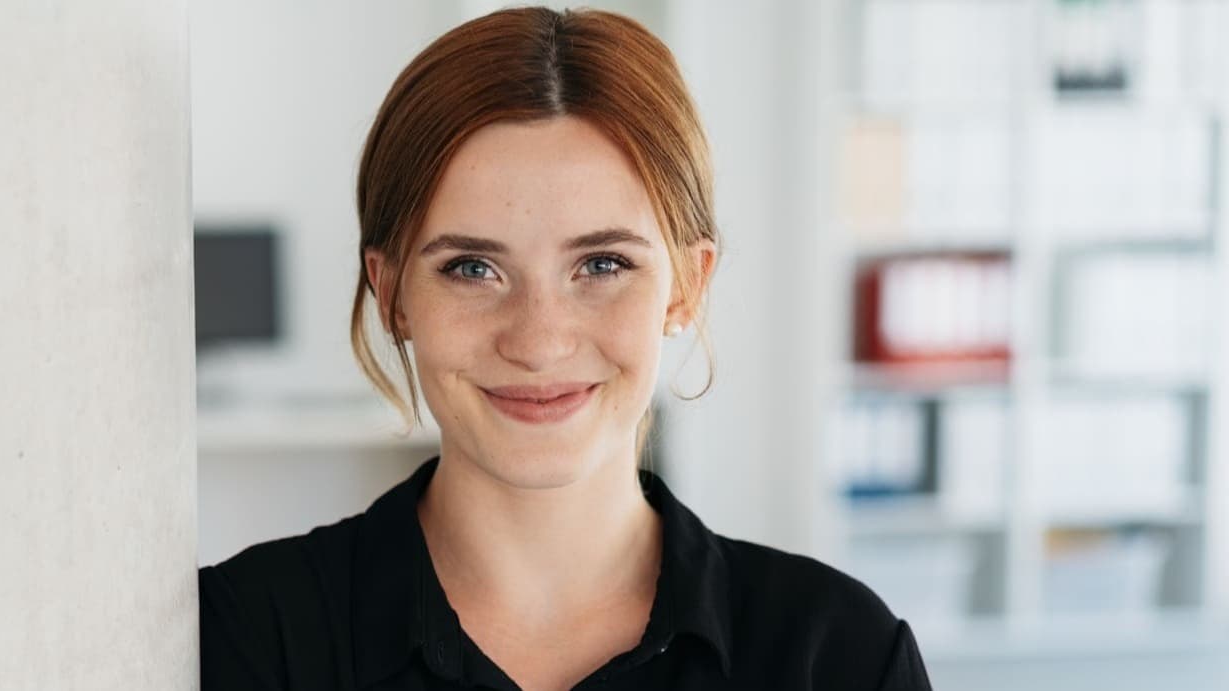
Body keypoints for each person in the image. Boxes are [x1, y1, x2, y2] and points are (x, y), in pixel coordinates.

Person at [199, 7, 931, 690]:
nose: (539, 340)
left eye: (602, 265)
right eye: (472, 268)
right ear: (390, 292)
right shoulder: (243, 639)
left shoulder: (839, 656)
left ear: (685, 286)